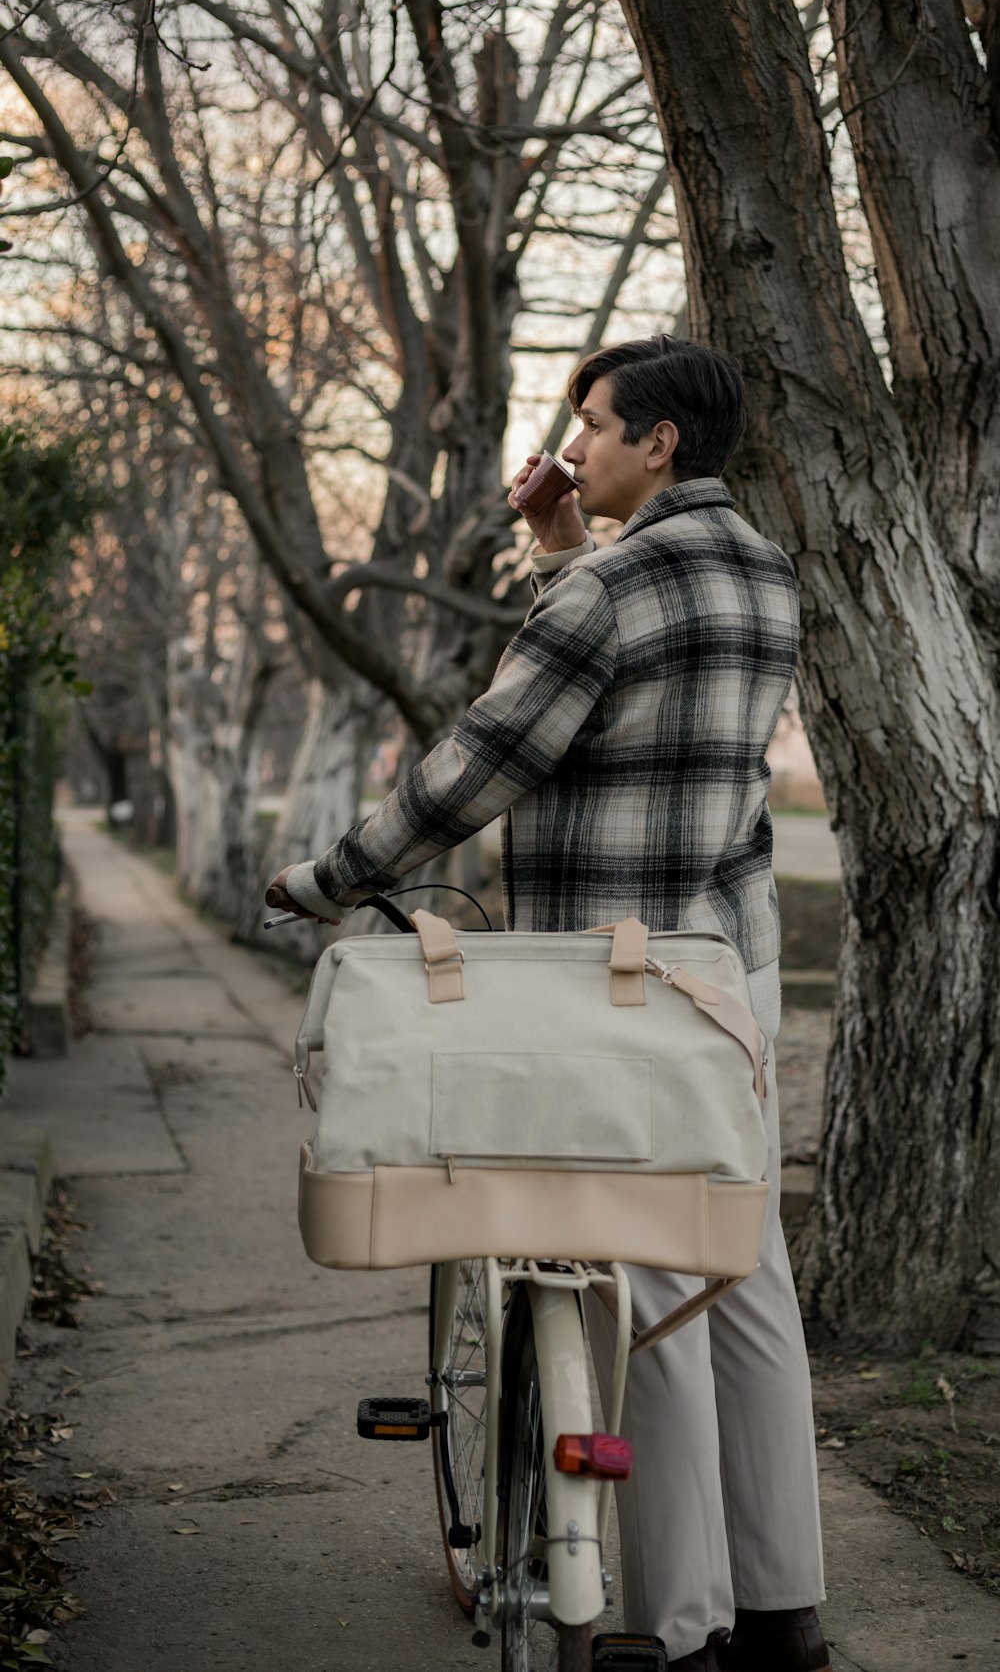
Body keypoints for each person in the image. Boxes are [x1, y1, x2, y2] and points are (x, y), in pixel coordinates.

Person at [266, 334, 829, 1672]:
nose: (572, 447)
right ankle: (783, 1614)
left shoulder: (609, 589)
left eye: (593, 425)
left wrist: (335, 874)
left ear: (660, 443)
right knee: (743, 1277)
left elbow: (483, 765)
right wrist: (560, 541)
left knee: (645, 1286)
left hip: (612, 981)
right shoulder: (763, 571)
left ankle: (676, 1625)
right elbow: (645, 673)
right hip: (728, 965)